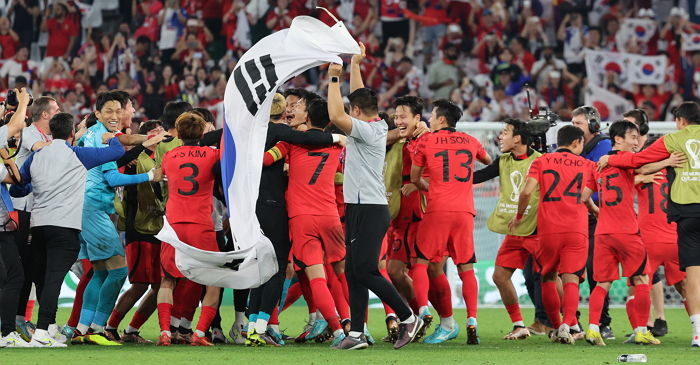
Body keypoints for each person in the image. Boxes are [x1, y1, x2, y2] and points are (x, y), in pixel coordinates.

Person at [327, 46, 424, 350]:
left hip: (369, 208)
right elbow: (358, 98)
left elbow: (335, 114)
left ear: (355, 112)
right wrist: (355, 65)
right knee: (355, 269)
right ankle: (356, 334)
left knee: (366, 269)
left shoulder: (366, 132)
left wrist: (333, 79)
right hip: (361, 207)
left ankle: (409, 317)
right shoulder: (378, 124)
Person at [10, 112, 126, 347]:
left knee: (43, 278)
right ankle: (42, 333)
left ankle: (49, 329)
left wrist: (36, 185)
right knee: (53, 279)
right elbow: (118, 152)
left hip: (39, 225)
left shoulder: (37, 155)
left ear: (52, 132)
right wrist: (111, 136)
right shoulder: (78, 153)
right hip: (64, 226)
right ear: (72, 133)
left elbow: (17, 190)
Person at [598, 101, 700, 347]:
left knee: (638, 284)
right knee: (687, 286)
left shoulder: (643, 169)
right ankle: (695, 329)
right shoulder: (673, 171)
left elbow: (635, 166)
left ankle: (640, 329)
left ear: (680, 122)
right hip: (675, 235)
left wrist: (609, 160)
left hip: (649, 238)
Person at [246, 93, 344, 346]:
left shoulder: (290, 144)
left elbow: (265, 160)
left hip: (301, 217)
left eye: (299, 108)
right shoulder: (338, 145)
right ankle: (356, 326)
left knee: (313, 276)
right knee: (342, 275)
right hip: (331, 214)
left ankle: (337, 331)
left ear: (308, 117)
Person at [72, 92, 163, 346]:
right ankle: (99, 329)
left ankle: (82, 329)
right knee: (118, 271)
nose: (115, 116)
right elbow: (112, 178)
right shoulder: (102, 139)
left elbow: (118, 152)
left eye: (117, 110)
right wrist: (149, 177)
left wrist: (143, 143)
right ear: (98, 114)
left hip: (87, 207)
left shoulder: (96, 134)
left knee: (100, 273)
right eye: (108, 111)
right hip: (93, 209)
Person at [410, 99, 492, 345]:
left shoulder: (426, 140)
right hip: (465, 211)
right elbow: (488, 161)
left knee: (421, 262)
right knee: (466, 268)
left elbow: (415, 178)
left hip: (438, 209)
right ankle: (472, 320)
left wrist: (429, 187)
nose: (429, 120)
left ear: (442, 119)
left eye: (432, 116)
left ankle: (423, 310)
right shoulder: (470, 140)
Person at [509, 125, 596, 345]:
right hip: (576, 228)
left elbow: (526, 192)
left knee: (547, 276)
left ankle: (557, 327)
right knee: (571, 279)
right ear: (577, 143)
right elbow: (587, 195)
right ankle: (569, 325)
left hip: (549, 230)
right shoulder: (587, 165)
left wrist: (519, 217)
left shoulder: (542, 161)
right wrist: (595, 210)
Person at [583, 120, 660, 346]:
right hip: (627, 231)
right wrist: (668, 160)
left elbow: (583, 196)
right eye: (632, 137)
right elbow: (643, 164)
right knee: (642, 279)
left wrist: (596, 211)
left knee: (602, 283)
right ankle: (642, 330)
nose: (636, 142)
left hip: (603, 232)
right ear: (618, 139)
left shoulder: (596, 164)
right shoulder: (626, 160)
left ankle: (593, 329)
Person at [157, 112, 222, 347]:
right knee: (213, 281)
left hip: (174, 225)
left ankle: (165, 332)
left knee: (168, 280)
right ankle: (201, 333)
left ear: (179, 132)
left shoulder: (170, 156)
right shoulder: (213, 154)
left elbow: (159, 177)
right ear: (202, 132)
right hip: (201, 225)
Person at [473, 118, 540, 340]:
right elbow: (479, 176)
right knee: (500, 276)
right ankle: (519, 324)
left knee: (550, 278)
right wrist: (451, 175)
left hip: (538, 230)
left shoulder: (541, 161)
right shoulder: (503, 161)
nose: (500, 137)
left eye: (505, 132)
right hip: (515, 229)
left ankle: (570, 323)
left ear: (518, 138)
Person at [104, 120, 167, 344]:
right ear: (145, 137)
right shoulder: (132, 160)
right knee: (140, 283)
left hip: (160, 228)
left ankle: (131, 330)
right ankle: (110, 327)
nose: (159, 134)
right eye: (154, 132)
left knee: (160, 285)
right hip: (138, 228)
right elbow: (122, 183)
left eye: (161, 130)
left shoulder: (164, 157)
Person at [11, 93, 58, 342]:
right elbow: (39, 149)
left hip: (35, 209)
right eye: (56, 110)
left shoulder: (47, 135)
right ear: (45, 114)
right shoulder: (30, 134)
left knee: (31, 266)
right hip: (20, 209)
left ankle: (21, 319)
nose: (58, 113)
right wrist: (64, 143)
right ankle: (13, 319)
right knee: (19, 266)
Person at [570, 105, 614, 340]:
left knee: (595, 271)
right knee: (571, 271)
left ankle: (603, 323)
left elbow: (598, 184)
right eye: (573, 124)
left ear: (594, 125)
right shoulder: (574, 148)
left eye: (578, 124)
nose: (574, 127)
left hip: (595, 217)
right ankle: (572, 322)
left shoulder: (603, 146)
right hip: (576, 216)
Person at [385, 96, 427, 342]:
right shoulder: (399, 142)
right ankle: (415, 316)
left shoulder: (425, 140)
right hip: (396, 213)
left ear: (418, 119)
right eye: (396, 116)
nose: (399, 121)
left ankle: (431, 316)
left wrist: (417, 184)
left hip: (418, 213)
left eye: (404, 117)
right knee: (395, 270)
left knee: (424, 268)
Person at [0, 90, 33, 348]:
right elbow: (15, 125)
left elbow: (13, 179)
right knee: (15, 277)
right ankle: (7, 333)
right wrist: (22, 103)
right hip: (1, 225)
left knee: (6, 278)